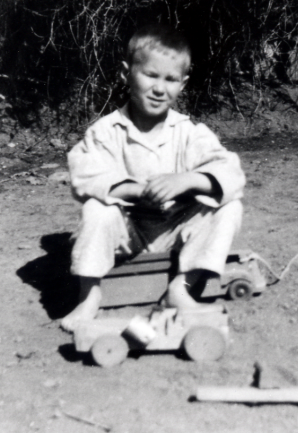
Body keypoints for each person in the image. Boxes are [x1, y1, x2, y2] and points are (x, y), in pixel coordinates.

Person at [61, 24, 245, 332]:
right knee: (97, 209)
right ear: (126, 74)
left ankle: (182, 287)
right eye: (150, 75)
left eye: (171, 79)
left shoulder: (189, 132)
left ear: (182, 85)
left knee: (229, 206)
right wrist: (131, 189)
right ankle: (89, 295)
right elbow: (83, 172)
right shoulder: (106, 132)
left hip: (175, 230)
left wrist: (189, 179)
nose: (160, 88)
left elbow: (230, 172)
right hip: (128, 232)